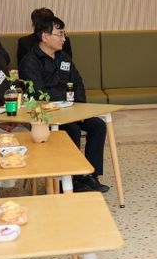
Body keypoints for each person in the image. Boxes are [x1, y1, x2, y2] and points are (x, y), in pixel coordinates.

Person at [19, 15, 108, 193]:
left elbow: (78, 82)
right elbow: (39, 94)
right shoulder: (30, 62)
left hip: (71, 111)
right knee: (71, 130)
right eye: (59, 34)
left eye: (63, 34)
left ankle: (90, 175)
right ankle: (68, 179)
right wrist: (67, 103)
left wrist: (79, 109)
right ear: (45, 37)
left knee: (98, 125)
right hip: (46, 116)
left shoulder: (64, 57)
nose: (64, 38)